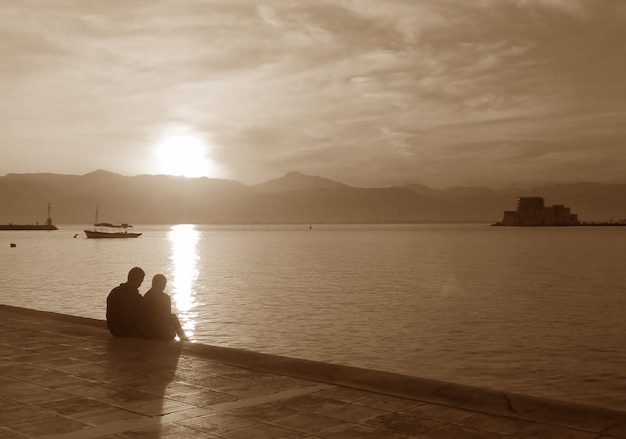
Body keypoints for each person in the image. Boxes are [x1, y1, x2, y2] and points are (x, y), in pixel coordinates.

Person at [140, 274, 188, 341]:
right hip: (158, 333)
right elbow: (167, 317)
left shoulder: (146, 296)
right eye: (163, 284)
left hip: (147, 332)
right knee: (173, 317)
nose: (164, 287)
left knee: (172, 317)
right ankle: (184, 340)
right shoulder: (165, 298)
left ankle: (183, 339)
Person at [106, 267, 145, 337]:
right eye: (141, 281)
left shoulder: (115, 291)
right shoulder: (135, 297)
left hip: (113, 329)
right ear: (138, 280)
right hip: (127, 330)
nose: (140, 284)